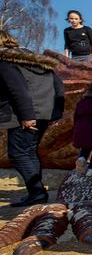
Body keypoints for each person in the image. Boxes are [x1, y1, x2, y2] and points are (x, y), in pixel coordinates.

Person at [0, 30, 64, 207]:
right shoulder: (35, 60)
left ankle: (37, 192)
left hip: (24, 115)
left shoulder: (6, 62)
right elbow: (58, 85)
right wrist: (55, 112)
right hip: (43, 112)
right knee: (29, 151)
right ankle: (36, 193)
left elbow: (17, 90)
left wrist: (27, 115)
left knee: (18, 153)